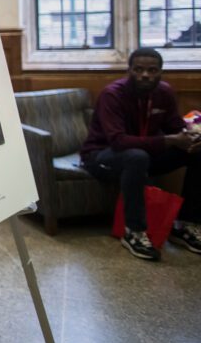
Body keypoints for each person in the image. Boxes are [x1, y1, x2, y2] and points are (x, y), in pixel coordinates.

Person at [80, 47, 201, 261]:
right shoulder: (113, 94)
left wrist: (191, 137)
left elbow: (175, 126)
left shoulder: (164, 93)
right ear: (129, 71)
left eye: (152, 70)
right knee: (136, 156)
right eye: (138, 69)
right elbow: (118, 141)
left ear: (160, 72)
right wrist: (170, 141)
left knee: (198, 151)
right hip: (100, 157)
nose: (145, 75)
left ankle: (186, 224)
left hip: (144, 156)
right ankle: (134, 231)